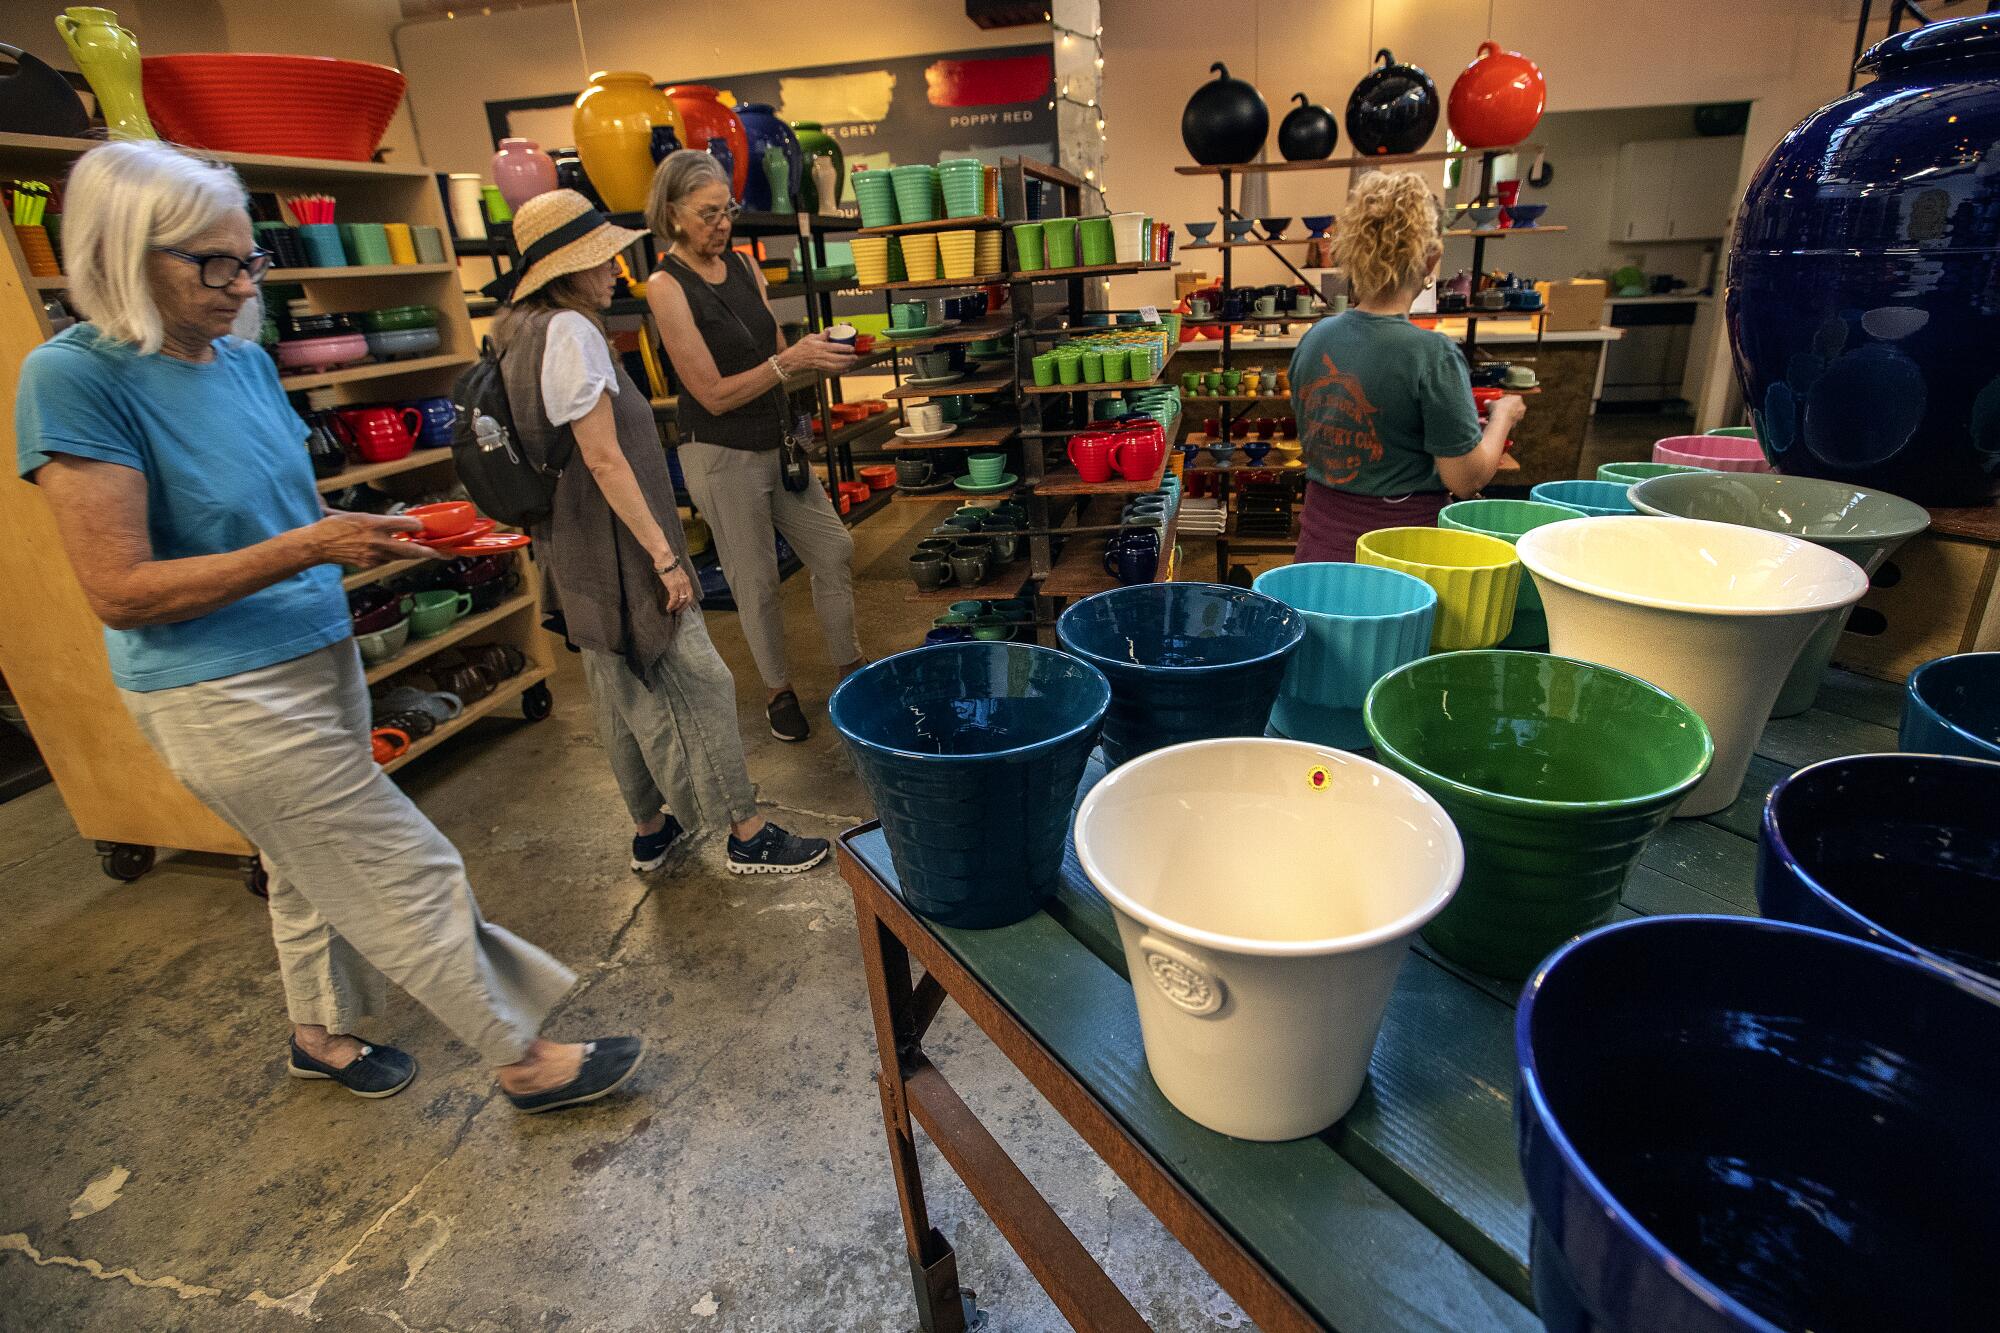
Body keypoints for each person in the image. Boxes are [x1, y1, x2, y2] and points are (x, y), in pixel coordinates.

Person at [14, 140, 641, 1112]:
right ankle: (522, 1053)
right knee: (399, 859)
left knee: (305, 864)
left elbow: (290, 523)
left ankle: (319, 1033)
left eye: (248, 259)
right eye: (213, 263)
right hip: (218, 687)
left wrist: (389, 540)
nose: (240, 284)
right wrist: (313, 549)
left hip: (319, 652)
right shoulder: (74, 379)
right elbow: (120, 588)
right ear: (123, 251)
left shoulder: (243, 365)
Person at [491, 189, 829, 877]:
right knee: (698, 678)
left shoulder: (515, 333)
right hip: (620, 541)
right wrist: (664, 558)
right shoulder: (574, 333)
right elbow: (604, 457)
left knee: (614, 689)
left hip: (570, 541)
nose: (615, 266)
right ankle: (746, 831)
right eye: (601, 258)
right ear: (566, 270)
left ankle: (650, 830)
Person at [643, 149, 862, 743]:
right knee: (756, 579)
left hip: (776, 441)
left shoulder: (743, 264)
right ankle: (778, 691)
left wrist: (811, 354)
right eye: (708, 213)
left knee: (833, 549)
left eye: (727, 210)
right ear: (673, 213)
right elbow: (711, 394)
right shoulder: (665, 286)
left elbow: (769, 346)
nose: (722, 224)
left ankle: (849, 670)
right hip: (719, 452)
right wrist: (786, 360)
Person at [1288, 170, 1526, 563]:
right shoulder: (1431, 354)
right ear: (1430, 257)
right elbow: (1465, 480)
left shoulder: (1315, 339)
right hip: (1398, 558)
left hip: (1318, 551)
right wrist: (1503, 416)